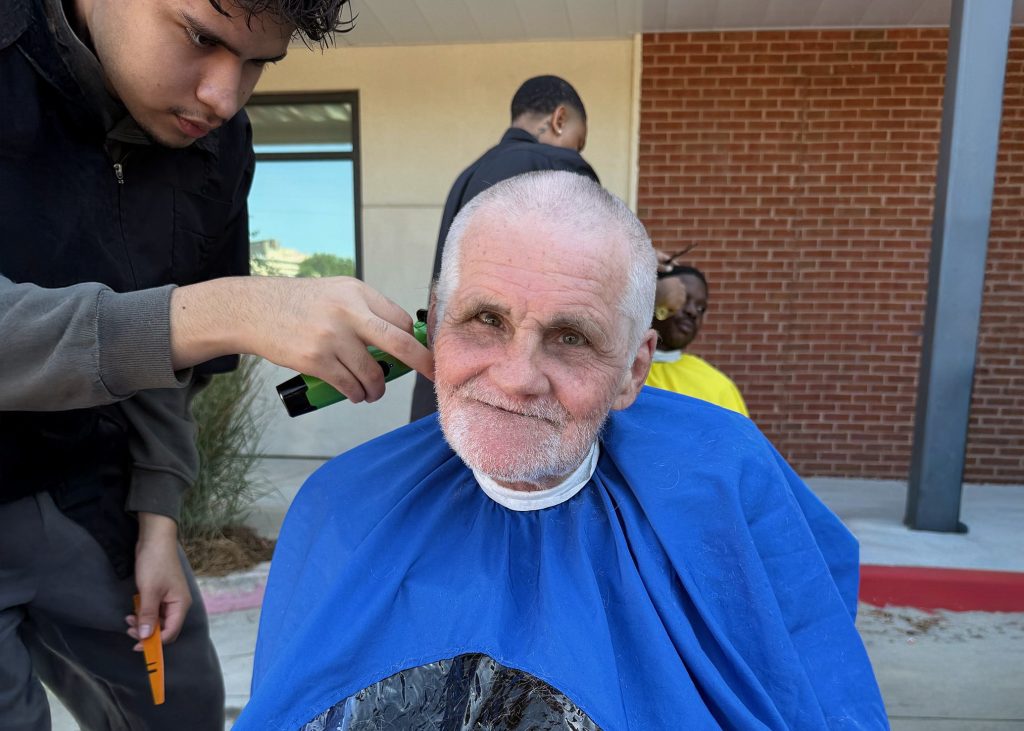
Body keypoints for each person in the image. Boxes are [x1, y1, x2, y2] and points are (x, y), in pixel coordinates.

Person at [237, 172, 888, 730]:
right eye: (486, 319)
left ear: (635, 370)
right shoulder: (343, 506)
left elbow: (816, 681)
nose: (518, 376)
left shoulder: (723, 481)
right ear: (435, 324)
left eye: (571, 336)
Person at [0, 0, 428, 729]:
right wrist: (220, 311)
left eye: (258, 62)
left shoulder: (220, 147)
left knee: (182, 702)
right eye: (201, 37)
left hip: (89, 490)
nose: (225, 97)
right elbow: (183, 325)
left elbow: (167, 368)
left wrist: (159, 517)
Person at [410, 74, 598, 420]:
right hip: (510, 400)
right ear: (559, 120)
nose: (577, 152)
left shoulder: (470, 175)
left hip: (449, 378)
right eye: (578, 141)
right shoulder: (556, 167)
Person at [646, 262, 750, 416]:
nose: (692, 312)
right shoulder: (616, 369)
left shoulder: (718, 386)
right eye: (682, 299)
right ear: (654, 298)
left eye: (700, 308)